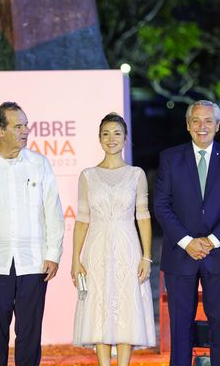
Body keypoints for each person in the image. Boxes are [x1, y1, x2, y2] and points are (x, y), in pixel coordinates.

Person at [0, 102, 64, 366]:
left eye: (26, 125)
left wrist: (53, 254)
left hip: (34, 262)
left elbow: (53, 212)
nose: (26, 131)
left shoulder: (40, 164)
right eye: (18, 126)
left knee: (29, 335)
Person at [154, 100, 220, 366]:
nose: (201, 126)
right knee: (180, 325)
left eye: (208, 121)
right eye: (196, 120)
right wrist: (187, 242)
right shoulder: (170, 158)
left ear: (217, 126)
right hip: (180, 255)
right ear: (187, 125)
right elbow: (161, 204)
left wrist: (212, 241)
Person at [71, 113, 156, 365]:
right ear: (99, 138)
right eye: (106, 133)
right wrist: (76, 259)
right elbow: (82, 219)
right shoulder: (87, 176)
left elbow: (143, 216)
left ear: (125, 138)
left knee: (126, 306)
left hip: (127, 248)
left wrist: (147, 256)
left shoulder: (136, 174)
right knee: (98, 305)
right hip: (95, 249)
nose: (111, 139)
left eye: (117, 133)